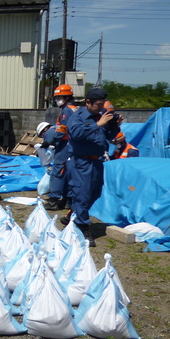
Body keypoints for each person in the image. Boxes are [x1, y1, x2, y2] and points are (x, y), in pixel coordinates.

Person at [63, 87, 122, 246]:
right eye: (98, 104)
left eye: (103, 104)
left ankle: (74, 214)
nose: (101, 107)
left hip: (96, 161)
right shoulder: (78, 117)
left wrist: (114, 126)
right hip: (81, 161)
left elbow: (107, 137)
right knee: (82, 194)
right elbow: (76, 134)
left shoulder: (100, 116)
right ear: (87, 102)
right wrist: (98, 124)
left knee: (95, 193)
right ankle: (81, 227)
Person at [42, 84, 78, 211]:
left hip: (64, 145)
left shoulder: (66, 111)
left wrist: (49, 141)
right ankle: (68, 200)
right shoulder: (76, 109)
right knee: (69, 172)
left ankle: (54, 200)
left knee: (58, 172)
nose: (57, 100)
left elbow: (62, 131)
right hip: (73, 145)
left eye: (59, 97)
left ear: (66, 97)